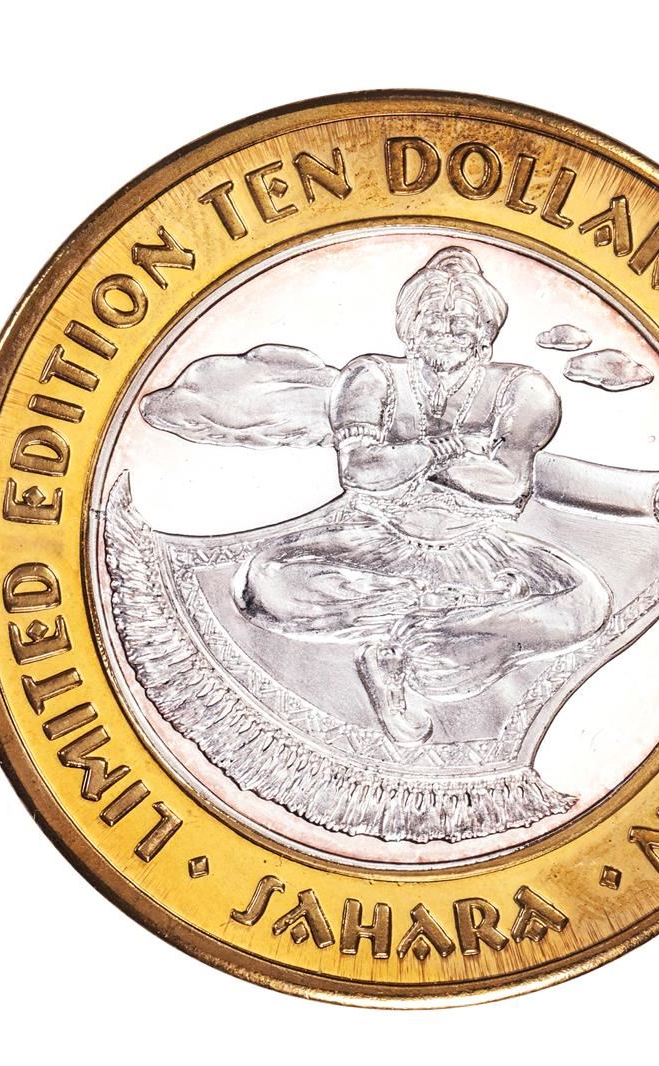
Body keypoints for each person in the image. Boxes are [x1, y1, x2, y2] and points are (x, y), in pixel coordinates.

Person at [234, 246, 612, 743]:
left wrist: (406, 463)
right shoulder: (370, 377)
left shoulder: (524, 389)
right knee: (265, 583)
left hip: (482, 549)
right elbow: (361, 471)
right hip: (378, 540)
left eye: (461, 320)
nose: (446, 329)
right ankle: (440, 610)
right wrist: (450, 450)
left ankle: (405, 657)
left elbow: (507, 484)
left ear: (486, 331)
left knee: (586, 605)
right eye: (433, 316)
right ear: (409, 324)